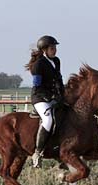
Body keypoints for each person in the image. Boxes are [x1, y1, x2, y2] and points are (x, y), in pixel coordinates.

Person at [25, 35, 65, 168]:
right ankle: (37, 152)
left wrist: (62, 95)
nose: (55, 50)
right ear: (44, 50)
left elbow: (58, 80)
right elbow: (38, 86)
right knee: (48, 120)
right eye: (52, 48)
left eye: (55, 48)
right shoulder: (38, 65)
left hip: (54, 97)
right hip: (40, 97)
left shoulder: (56, 61)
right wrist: (50, 98)